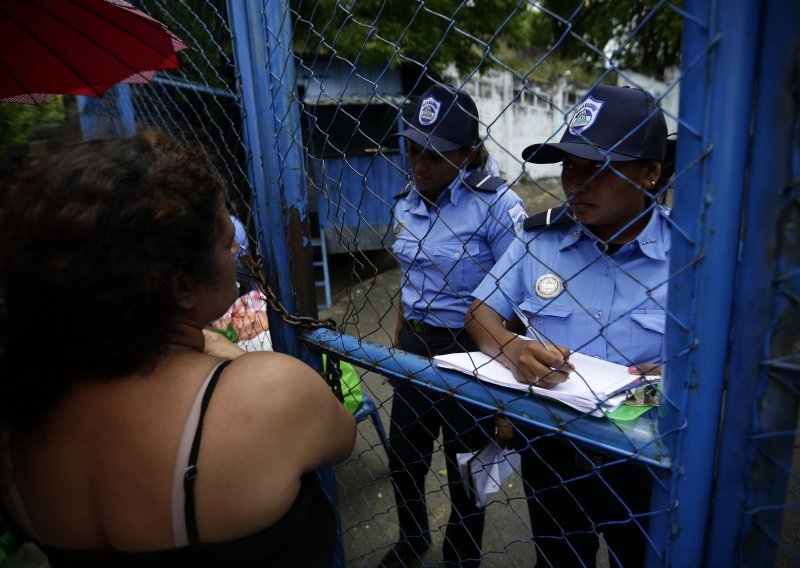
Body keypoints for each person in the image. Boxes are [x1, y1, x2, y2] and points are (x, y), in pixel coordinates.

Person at [0, 131, 356, 567]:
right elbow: (342, 437)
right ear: (183, 287)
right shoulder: (270, 393)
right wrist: (235, 362)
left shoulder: (22, 413)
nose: (237, 249)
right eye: (226, 242)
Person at [465, 84, 672, 567]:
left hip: (646, 453)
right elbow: (480, 311)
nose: (575, 183)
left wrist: (671, 381)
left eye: (597, 168)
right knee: (558, 558)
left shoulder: (691, 259)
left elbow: (725, 363)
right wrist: (514, 352)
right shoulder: (542, 239)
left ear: (650, 173)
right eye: (568, 166)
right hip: (551, 447)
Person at [382, 83, 527, 568]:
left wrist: (508, 385)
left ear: (467, 154)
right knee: (404, 456)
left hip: (472, 350)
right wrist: (399, 341)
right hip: (415, 345)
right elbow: (409, 279)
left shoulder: (496, 207)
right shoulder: (406, 201)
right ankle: (412, 537)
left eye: (436, 156)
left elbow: (521, 294)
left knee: (467, 469)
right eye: (413, 150)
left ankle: (461, 557)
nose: (420, 164)